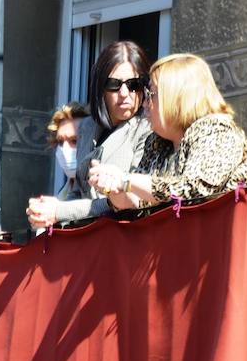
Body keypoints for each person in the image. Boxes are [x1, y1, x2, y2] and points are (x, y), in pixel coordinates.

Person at [88, 52, 247, 207]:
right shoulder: (156, 143)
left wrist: (127, 180)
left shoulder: (217, 131)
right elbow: (142, 202)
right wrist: (115, 190)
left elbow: (194, 190)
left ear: (176, 98)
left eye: (150, 94)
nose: (144, 103)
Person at [26, 40, 154, 228]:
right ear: (100, 87)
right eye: (114, 84)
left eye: (133, 84)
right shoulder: (87, 127)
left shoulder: (148, 127)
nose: (125, 93)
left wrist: (59, 211)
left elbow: (129, 203)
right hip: (88, 241)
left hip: (127, 237)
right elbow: (78, 190)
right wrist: (45, 211)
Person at [46, 102, 89, 200]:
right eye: (60, 142)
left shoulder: (101, 195)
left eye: (74, 141)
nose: (65, 149)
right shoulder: (64, 191)